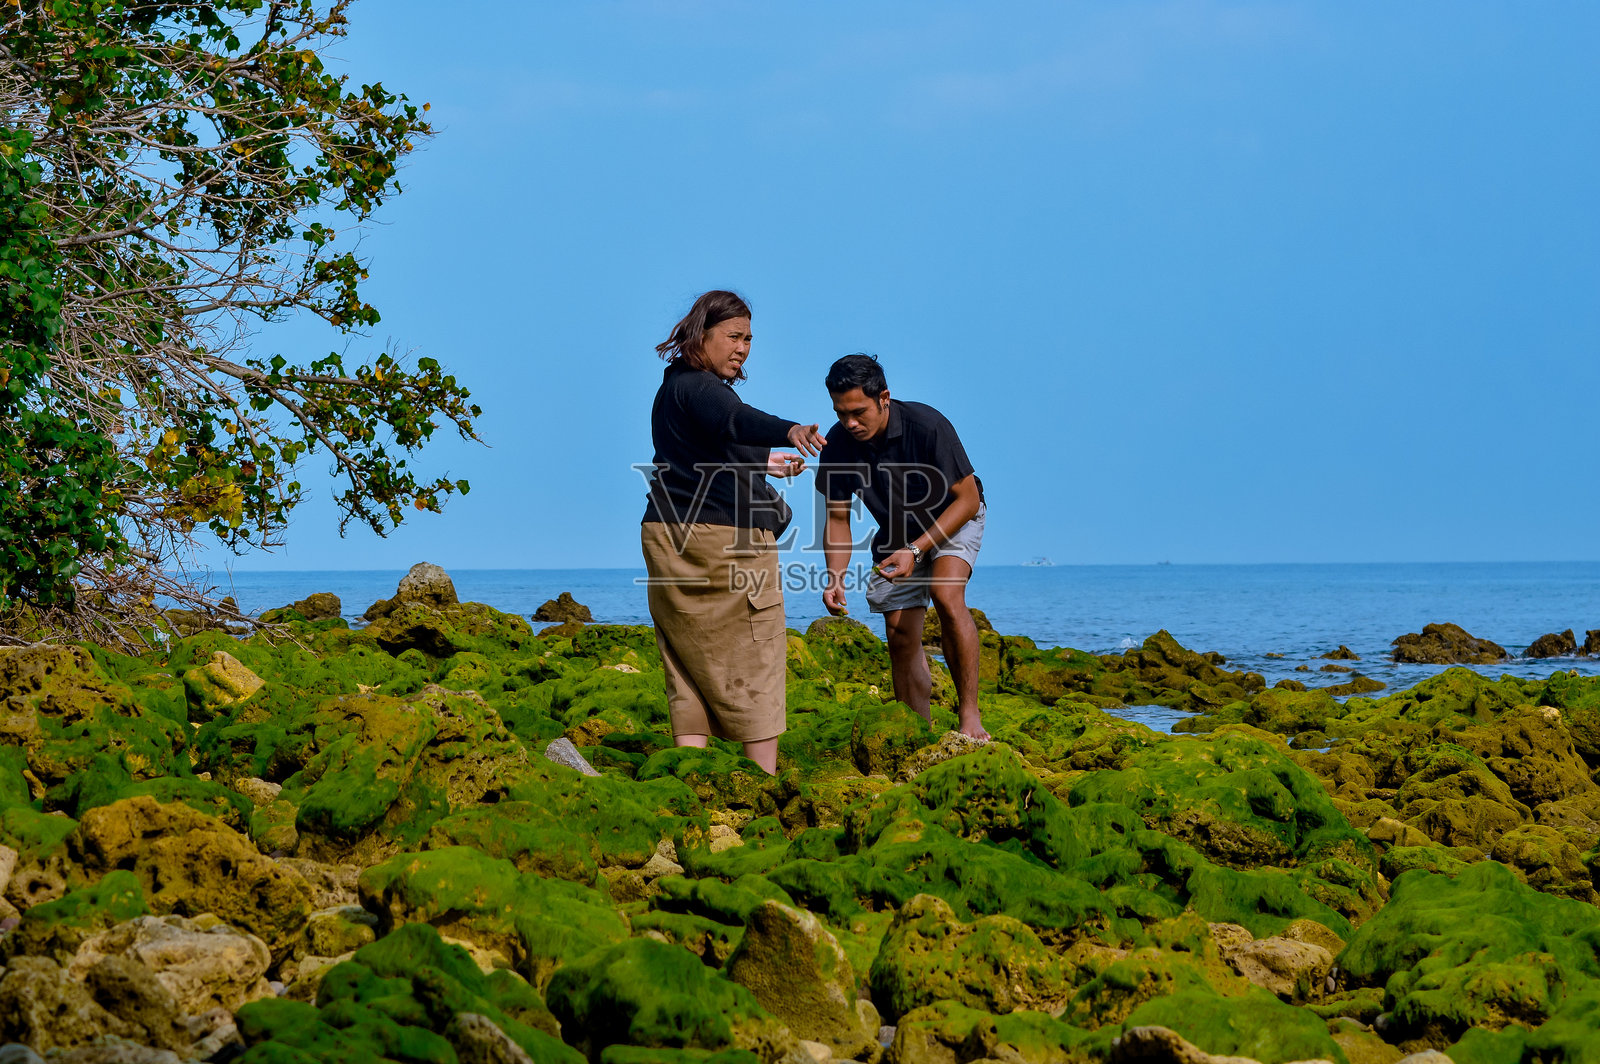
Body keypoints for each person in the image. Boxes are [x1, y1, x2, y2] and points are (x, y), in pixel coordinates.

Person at [641, 290, 827, 774]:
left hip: (667, 533)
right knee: (758, 646)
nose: (743, 347)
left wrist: (763, 461)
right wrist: (788, 431)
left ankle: (690, 774)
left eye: (748, 339)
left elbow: (701, 454)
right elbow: (736, 420)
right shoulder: (705, 390)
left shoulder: (673, 391)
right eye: (734, 336)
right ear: (702, 334)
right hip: (723, 538)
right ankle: (763, 783)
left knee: (685, 657)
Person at [816, 354, 989, 740]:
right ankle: (918, 732)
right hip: (896, 531)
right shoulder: (839, 445)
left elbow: (968, 499)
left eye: (858, 412)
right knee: (899, 633)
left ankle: (969, 715)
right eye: (841, 413)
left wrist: (917, 550)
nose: (850, 423)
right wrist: (835, 578)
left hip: (952, 518)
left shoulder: (927, 425)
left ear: (884, 398)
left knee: (946, 595)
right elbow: (838, 519)